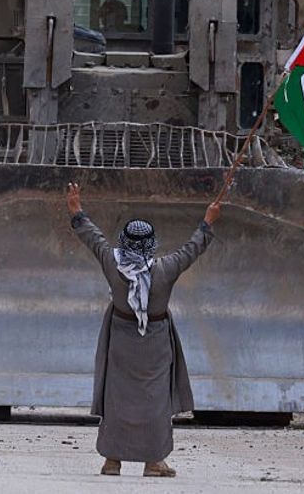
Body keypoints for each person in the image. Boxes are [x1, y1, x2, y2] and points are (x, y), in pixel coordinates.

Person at [65, 182, 220, 477]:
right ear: (152, 243)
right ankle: (153, 462)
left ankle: (112, 461)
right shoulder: (166, 268)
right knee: (156, 401)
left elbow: (93, 238)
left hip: (120, 338)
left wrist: (77, 212)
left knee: (117, 397)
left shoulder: (113, 262)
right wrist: (208, 222)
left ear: (123, 241)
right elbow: (192, 249)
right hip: (156, 341)